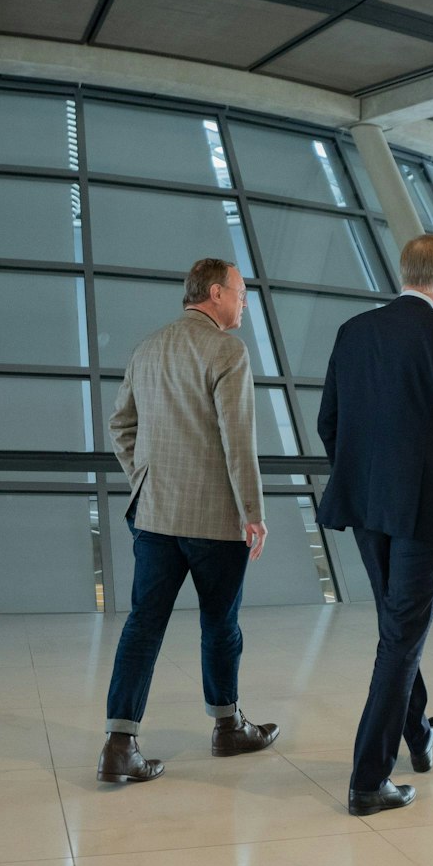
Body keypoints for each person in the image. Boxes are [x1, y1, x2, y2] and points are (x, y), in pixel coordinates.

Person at [318, 235, 433, 816]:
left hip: (368, 505)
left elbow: (330, 422)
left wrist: (363, 475)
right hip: (426, 509)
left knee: (396, 628)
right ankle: (368, 781)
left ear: (403, 273)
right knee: (401, 636)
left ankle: (419, 736)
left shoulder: (354, 332)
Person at [98, 258, 278, 784]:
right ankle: (227, 728)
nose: (245, 301)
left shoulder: (148, 347)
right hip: (214, 521)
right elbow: (237, 439)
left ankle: (119, 744)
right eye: (241, 292)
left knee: (143, 625)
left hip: (153, 514)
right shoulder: (227, 350)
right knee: (220, 625)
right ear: (216, 293)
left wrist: (143, 477)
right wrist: (254, 513)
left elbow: (120, 423)